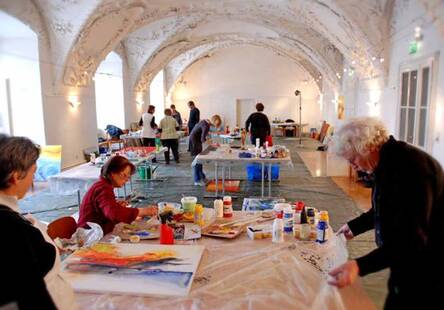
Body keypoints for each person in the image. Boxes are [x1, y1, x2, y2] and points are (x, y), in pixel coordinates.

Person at [328, 117, 444, 309]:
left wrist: (359, 265)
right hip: (405, 262)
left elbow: (412, 241)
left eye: (353, 159)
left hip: (428, 268)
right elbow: (383, 208)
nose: (353, 166)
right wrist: (354, 227)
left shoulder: (411, 168)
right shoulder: (386, 164)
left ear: (366, 146)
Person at [0, 134, 76, 310]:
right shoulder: (13, 228)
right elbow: (31, 296)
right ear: (16, 176)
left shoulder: (16, 221)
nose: (33, 180)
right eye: (33, 173)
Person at [77, 156, 157, 235]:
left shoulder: (103, 185)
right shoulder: (103, 188)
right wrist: (143, 211)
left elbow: (106, 210)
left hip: (95, 231)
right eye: (124, 175)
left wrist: (116, 205)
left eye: (128, 177)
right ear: (112, 173)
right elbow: (113, 213)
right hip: (89, 235)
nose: (126, 180)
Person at [189, 115, 222, 186]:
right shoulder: (206, 125)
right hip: (194, 142)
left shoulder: (206, 122)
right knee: (197, 161)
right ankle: (197, 180)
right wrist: (212, 145)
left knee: (200, 160)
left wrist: (212, 143)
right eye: (217, 124)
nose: (216, 126)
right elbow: (203, 139)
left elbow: (205, 136)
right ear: (214, 121)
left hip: (196, 140)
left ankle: (202, 177)